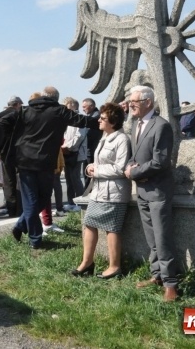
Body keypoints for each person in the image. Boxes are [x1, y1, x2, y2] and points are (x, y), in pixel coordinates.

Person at [3, 86, 91, 249]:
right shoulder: (59, 111)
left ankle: (21, 225)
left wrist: (10, 143)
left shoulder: (25, 111)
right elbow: (83, 121)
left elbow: (3, 120)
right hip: (45, 161)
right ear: (56, 99)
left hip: (26, 160)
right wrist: (105, 119)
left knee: (37, 199)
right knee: (39, 198)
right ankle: (35, 239)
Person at [124, 85, 179, 302]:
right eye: (130, 101)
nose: (130, 105)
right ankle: (156, 275)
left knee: (163, 238)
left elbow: (161, 161)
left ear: (148, 102)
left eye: (134, 102)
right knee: (151, 239)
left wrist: (134, 171)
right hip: (143, 191)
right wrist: (130, 167)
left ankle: (171, 284)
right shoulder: (137, 123)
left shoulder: (161, 126)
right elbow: (135, 155)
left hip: (158, 191)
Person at [71, 102, 131, 279]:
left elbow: (120, 168)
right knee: (89, 223)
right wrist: (90, 167)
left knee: (112, 228)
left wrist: (97, 170)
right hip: (99, 191)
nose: (99, 120)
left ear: (113, 122)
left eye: (103, 118)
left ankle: (114, 266)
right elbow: (103, 162)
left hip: (114, 193)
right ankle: (87, 262)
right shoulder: (105, 137)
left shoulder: (121, 139)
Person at [0, 96, 24, 218]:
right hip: (19, 151)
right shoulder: (19, 114)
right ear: (16, 104)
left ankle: (11, 209)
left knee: (8, 181)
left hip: (4, 153)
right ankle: (20, 208)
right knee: (19, 179)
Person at [61, 97, 85, 212]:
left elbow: (79, 136)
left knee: (75, 178)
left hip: (77, 152)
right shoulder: (66, 118)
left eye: (66, 104)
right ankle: (71, 202)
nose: (64, 107)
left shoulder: (79, 117)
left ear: (72, 105)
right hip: (67, 152)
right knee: (68, 179)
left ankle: (80, 203)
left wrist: (68, 146)